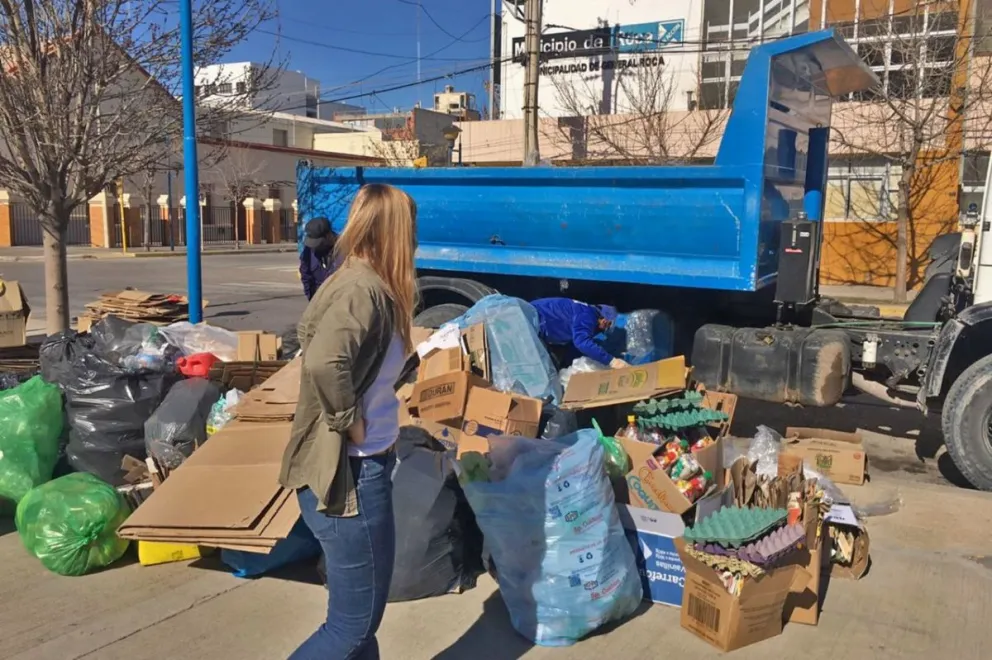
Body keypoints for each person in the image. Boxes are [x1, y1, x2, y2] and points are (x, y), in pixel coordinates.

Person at [280, 184, 417, 659]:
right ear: (396, 232)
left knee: (362, 628)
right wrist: (351, 421)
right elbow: (323, 362)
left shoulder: (363, 282)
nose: (416, 241)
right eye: (411, 230)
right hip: (351, 476)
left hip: (362, 468)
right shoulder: (363, 289)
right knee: (351, 627)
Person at [531, 297, 628, 369]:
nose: (606, 328)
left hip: (533, 319)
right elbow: (582, 343)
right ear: (603, 319)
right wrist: (612, 361)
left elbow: (575, 345)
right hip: (531, 320)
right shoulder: (587, 315)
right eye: (608, 324)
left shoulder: (585, 312)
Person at [299, 217, 337, 300]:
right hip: (318, 300)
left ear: (328, 236)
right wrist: (311, 298)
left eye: (318, 243)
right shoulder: (308, 250)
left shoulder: (343, 250)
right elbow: (305, 275)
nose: (315, 247)